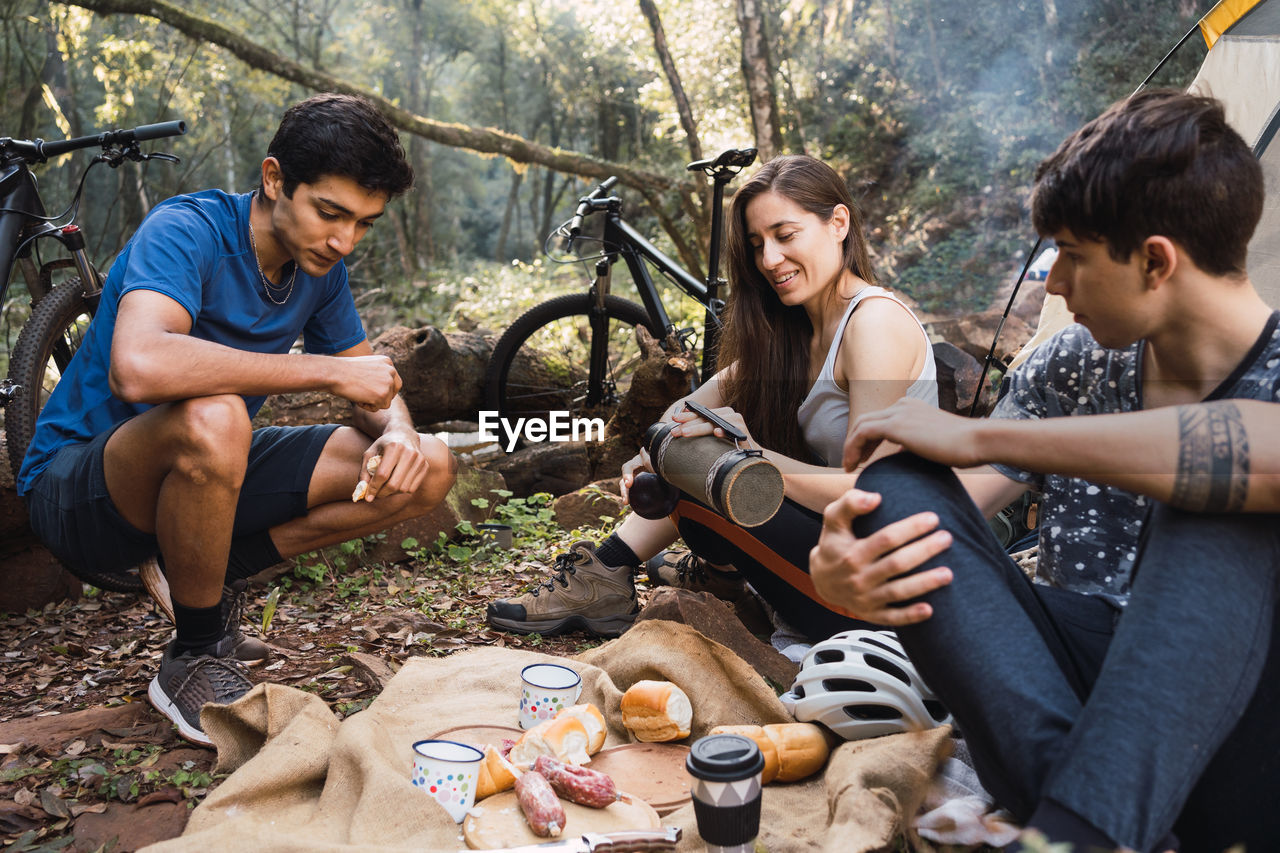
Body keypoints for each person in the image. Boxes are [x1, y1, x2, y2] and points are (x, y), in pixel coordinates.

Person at [810, 89, 1280, 852]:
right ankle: (1086, 826)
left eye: (1072, 254)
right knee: (896, 491)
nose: (1053, 283)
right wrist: (847, 560)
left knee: (1219, 493)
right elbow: (951, 512)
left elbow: (1265, 452)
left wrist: (994, 437)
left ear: (1155, 261)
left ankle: (1079, 826)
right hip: (1066, 713)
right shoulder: (1076, 361)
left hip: (1243, 742)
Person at [17, 93, 458, 746]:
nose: (344, 240)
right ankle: (195, 653)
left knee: (429, 464)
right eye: (330, 213)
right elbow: (138, 366)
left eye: (364, 223)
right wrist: (326, 371)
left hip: (204, 463)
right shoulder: (186, 229)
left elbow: (372, 385)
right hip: (79, 483)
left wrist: (395, 431)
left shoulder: (320, 269)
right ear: (275, 178)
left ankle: (208, 571)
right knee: (216, 414)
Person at [487, 154, 937, 642]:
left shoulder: (873, 324)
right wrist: (650, 452)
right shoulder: (800, 335)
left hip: (881, 593)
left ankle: (616, 573)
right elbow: (685, 412)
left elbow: (870, 490)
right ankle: (648, 573)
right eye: (757, 244)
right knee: (683, 442)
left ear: (838, 223)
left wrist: (749, 457)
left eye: (786, 236)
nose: (769, 260)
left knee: (705, 459)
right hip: (833, 560)